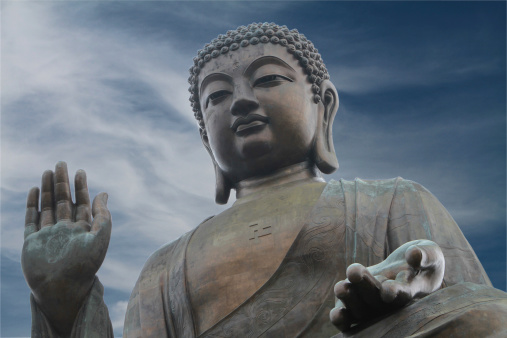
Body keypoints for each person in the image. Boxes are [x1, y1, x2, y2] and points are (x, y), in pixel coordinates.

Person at [22, 23, 507, 338]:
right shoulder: (164, 267)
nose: (240, 101)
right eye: (216, 96)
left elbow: (474, 310)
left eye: (268, 80)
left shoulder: (391, 200)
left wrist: (415, 289)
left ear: (325, 106)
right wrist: (63, 300)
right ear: (204, 138)